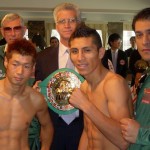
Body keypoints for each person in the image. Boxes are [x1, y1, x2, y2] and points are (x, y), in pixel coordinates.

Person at [68, 23, 132, 149]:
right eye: (74, 51)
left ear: (101, 53)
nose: (80, 58)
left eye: (87, 50)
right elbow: (88, 132)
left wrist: (86, 105)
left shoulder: (113, 84)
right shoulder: (84, 86)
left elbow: (124, 141)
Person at [35, 3, 83, 150]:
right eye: (62, 21)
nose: (67, 25)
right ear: (56, 25)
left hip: (85, 126)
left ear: (79, 23)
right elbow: (39, 89)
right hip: (52, 126)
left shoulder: (90, 56)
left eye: (72, 20)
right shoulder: (42, 57)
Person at [0, 38, 53, 150]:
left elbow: (47, 127)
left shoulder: (36, 99)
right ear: (6, 62)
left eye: (26, 66)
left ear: (33, 68)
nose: (20, 72)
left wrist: (45, 148)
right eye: (15, 64)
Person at [0, 13, 41, 150]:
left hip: (31, 130)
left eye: (16, 28)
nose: (12, 34)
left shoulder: (40, 56)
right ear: (2, 32)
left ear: (24, 30)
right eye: (7, 29)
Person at [120, 7, 150, 150]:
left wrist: (140, 134)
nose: (145, 41)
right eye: (139, 35)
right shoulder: (146, 77)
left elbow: (140, 132)